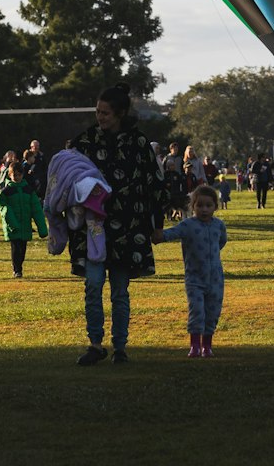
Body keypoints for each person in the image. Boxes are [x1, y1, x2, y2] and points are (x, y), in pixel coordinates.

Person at [71, 83, 166, 366]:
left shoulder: (138, 144)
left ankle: (120, 347)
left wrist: (157, 224)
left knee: (120, 291)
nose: (100, 118)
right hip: (93, 228)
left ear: (121, 113)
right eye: (98, 112)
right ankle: (95, 344)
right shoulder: (85, 142)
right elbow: (66, 175)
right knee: (93, 284)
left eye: (106, 113)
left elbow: (154, 185)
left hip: (128, 227)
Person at [162, 184, 228, 357]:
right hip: (195, 278)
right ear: (193, 206)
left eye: (208, 205)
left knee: (212, 311)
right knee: (197, 310)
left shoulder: (218, 226)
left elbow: (221, 242)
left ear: (215, 206)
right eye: (200, 205)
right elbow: (171, 234)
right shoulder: (188, 226)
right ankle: (195, 345)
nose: (204, 209)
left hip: (215, 278)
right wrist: (157, 235)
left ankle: (207, 345)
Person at [0, 162, 47, 277]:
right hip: (13, 226)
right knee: (15, 247)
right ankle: (17, 269)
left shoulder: (28, 190)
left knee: (23, 248)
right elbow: (3, 207)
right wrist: (12, 222)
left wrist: (42, 228)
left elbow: (37, 210)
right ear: (9, 175)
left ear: (22, 175)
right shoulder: (6, 191)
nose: (17, 177)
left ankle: (19, 267)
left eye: (19, 175)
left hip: (25, 225)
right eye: (14, 175)